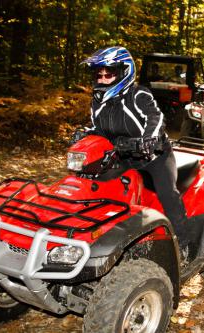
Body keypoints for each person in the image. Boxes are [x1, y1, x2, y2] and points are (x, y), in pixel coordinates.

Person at [81, 46, 190, 253]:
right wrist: (86, 133)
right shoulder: (97, 101)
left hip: (155, 155)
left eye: (109, 73)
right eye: (99, 74)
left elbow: (155, 118)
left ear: (124, 72)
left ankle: (183, 245)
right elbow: (99, 128)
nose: (102, 79)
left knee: (168, 194)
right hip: (122, 155)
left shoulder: (139, 94)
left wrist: (149, 139)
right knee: (94, 184)